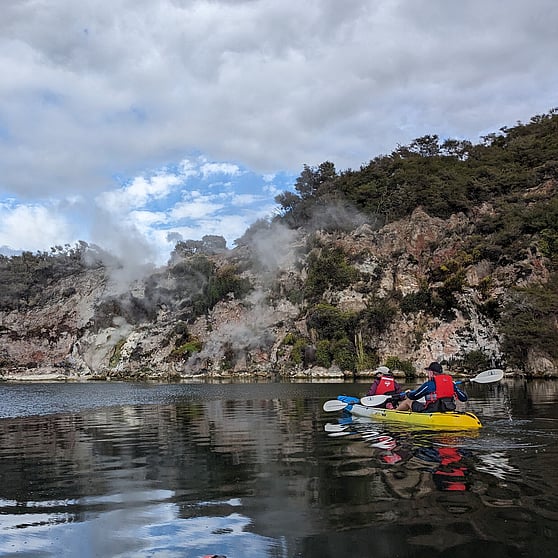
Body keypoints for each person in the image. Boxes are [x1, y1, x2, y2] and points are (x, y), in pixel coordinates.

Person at [396, 361, 467, 413]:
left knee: (409, 401)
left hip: (431, 411)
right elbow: (464, 398)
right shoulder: (451, 384)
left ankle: (393, 413)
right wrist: (454, 387)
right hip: (447, 409)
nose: (427, 374)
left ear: (432, 372)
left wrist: (408, 393)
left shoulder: (429, 385)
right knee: (423, 403)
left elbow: (415, 396)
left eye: (428, 372)